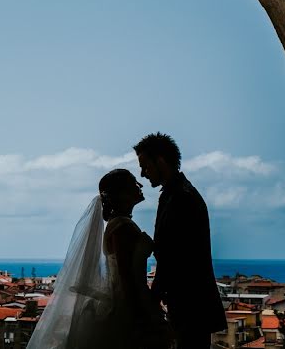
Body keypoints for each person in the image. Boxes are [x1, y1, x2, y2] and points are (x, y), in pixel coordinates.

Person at [27, 168, 171, 349]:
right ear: (122, 193)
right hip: (128, 304)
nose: (140, 185)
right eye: (134, 182)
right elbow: (127, 276)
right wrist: (143, 312)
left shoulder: (118, 224)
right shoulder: (122, 227)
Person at [134, 132, 226, 349]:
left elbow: (172, 256)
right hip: (188, 303)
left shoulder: (181, 198)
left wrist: (153, 298)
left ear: (161, 161)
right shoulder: (178, 193)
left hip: (190, 304)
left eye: (145, 166)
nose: (142, 173)